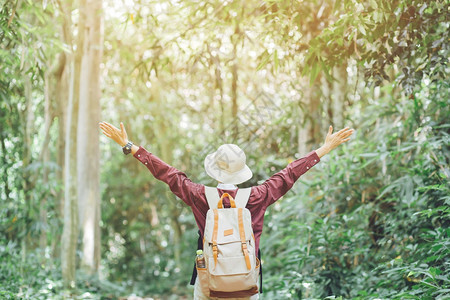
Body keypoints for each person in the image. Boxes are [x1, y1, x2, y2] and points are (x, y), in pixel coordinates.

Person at [99, 121, 354, 299]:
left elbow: (168, 174)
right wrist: (324, 148)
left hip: (209, 280)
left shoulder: (201, 196)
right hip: (246, 279)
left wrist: (131, 147)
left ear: (215, 170)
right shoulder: (257, 196)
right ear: (242, 172)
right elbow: (288, 174)